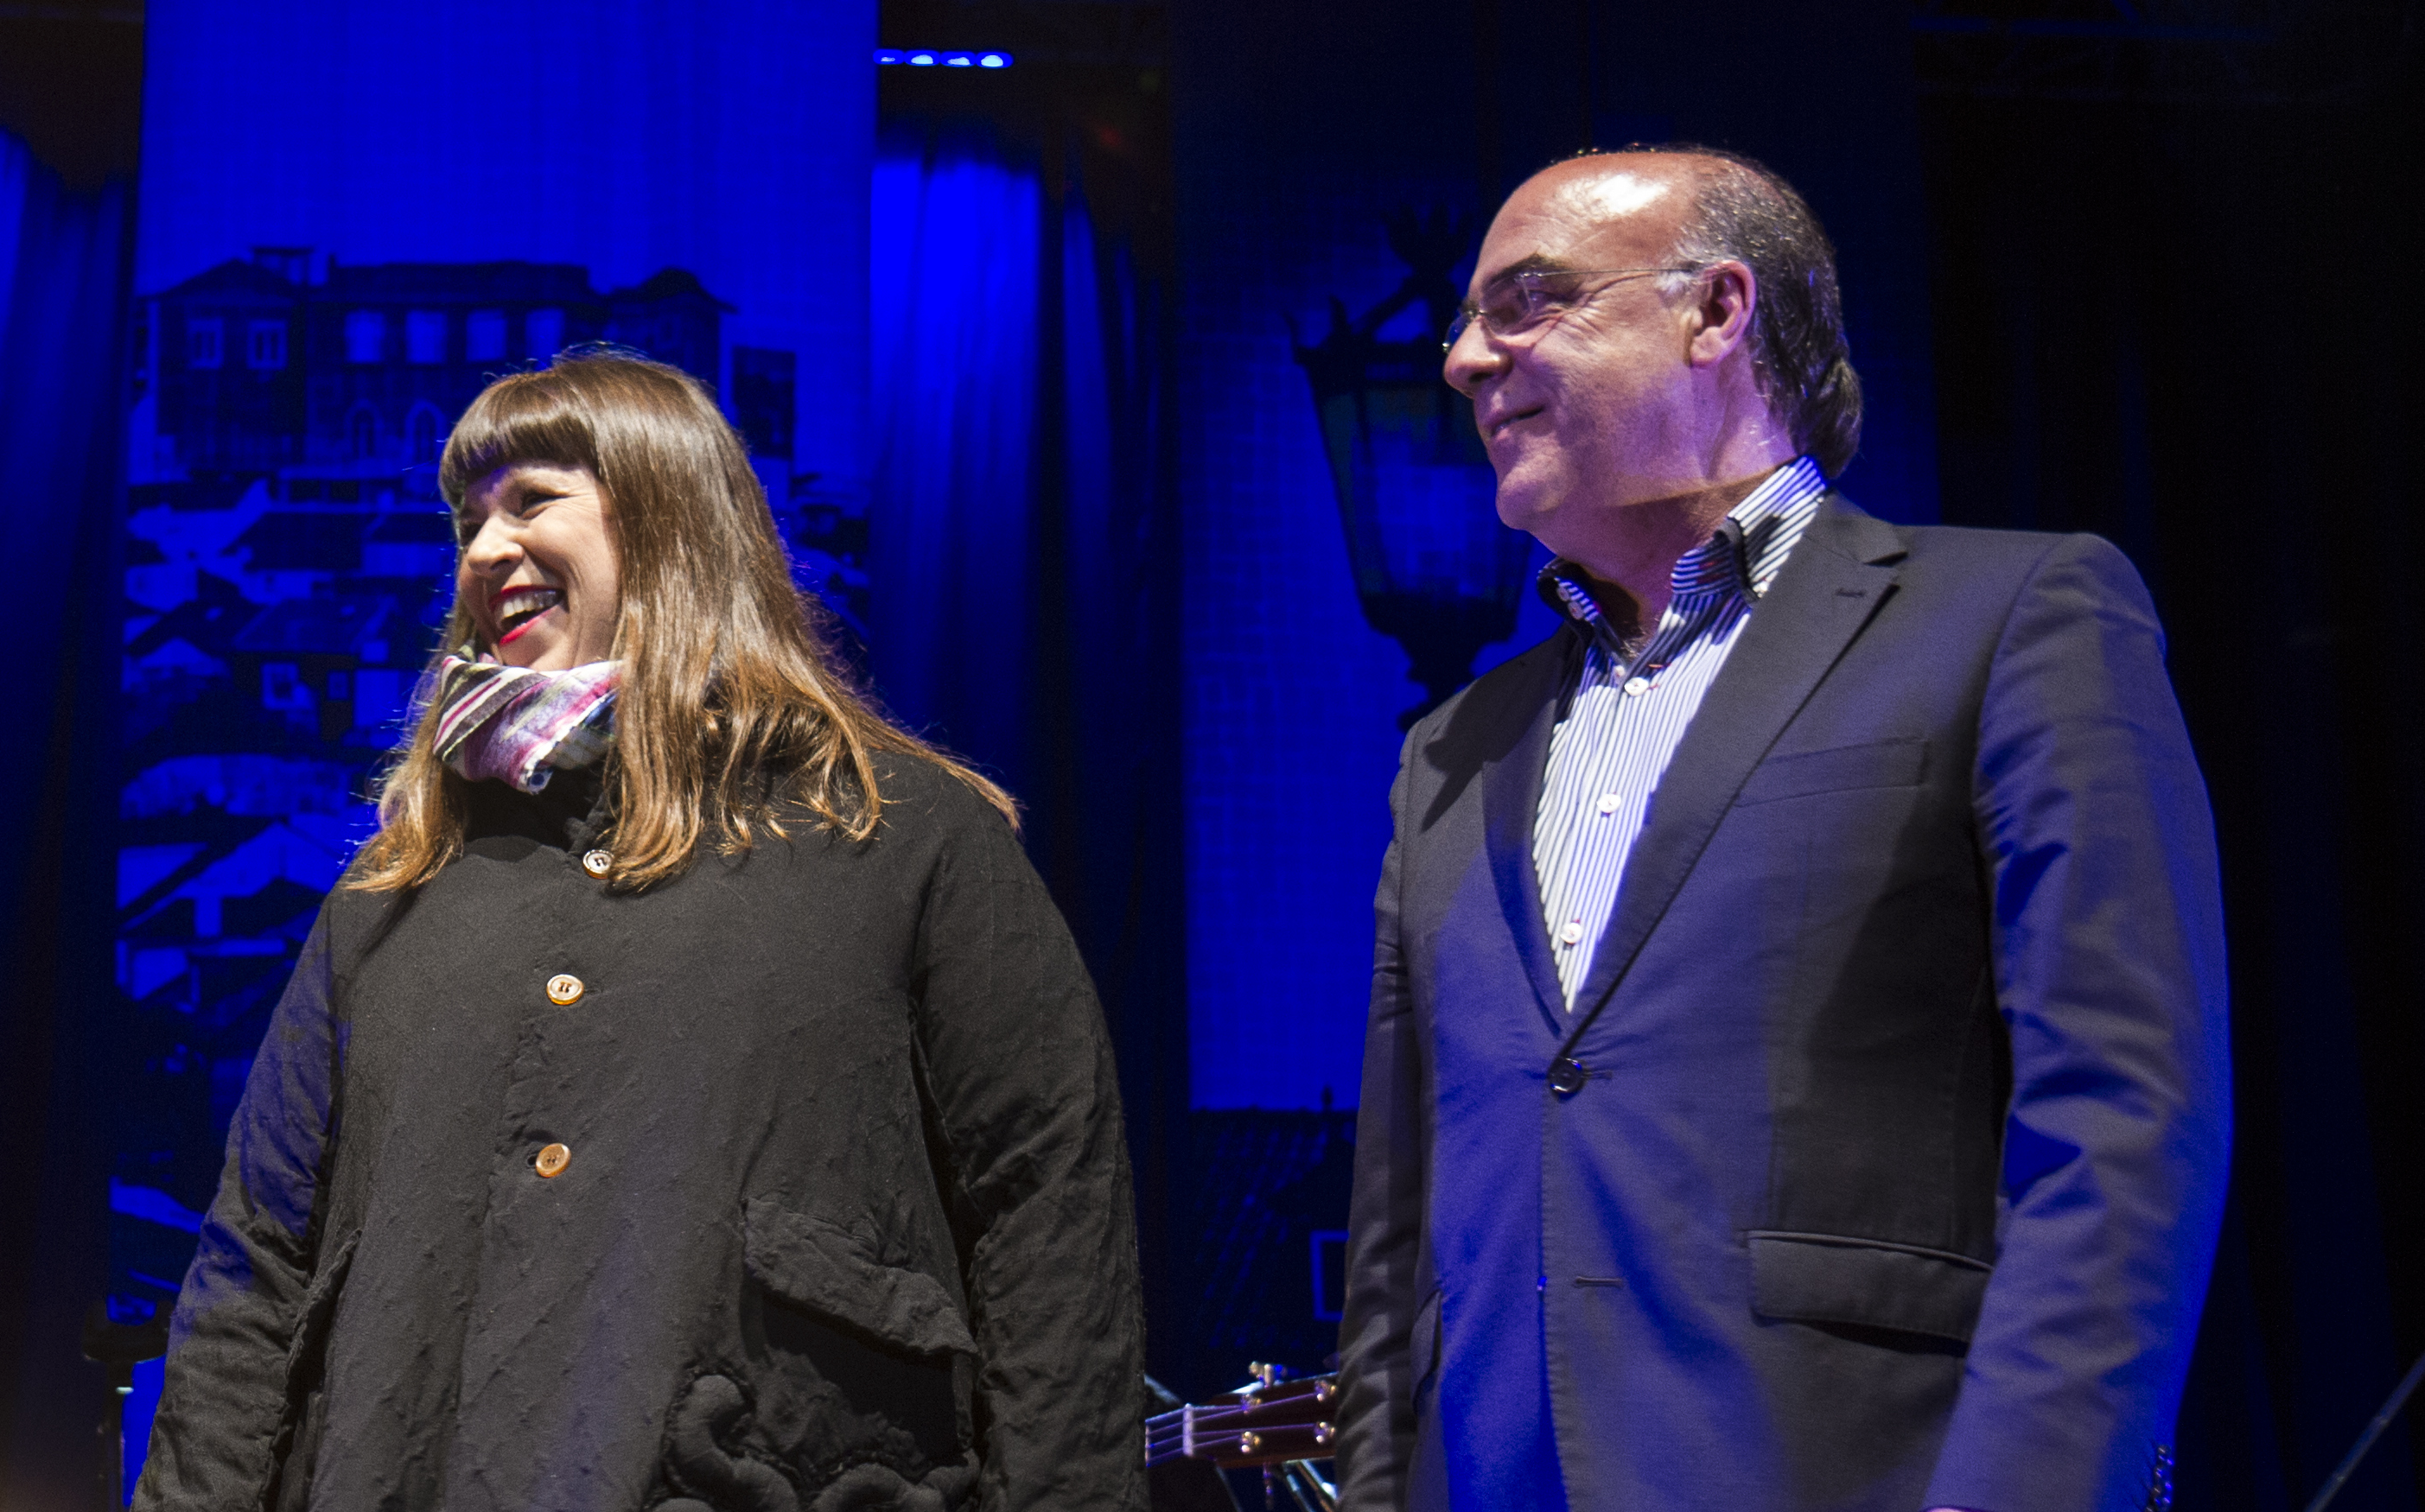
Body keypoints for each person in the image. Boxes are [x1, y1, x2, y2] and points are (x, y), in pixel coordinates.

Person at [1332, 147, 2227, 1512]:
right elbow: (1393, 1238)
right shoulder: (1447, 751)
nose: (1461, 357)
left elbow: (2120, 1126)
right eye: (1465, 319)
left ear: (1715, 313)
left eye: (1525, 301)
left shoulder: (2010, 619)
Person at [134, 353, 1147, 1512]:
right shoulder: (393, 891)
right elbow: (253, 1265)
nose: (479, 550)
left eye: (530, 500)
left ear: (666, 514)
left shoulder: (903, 839)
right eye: (466, 518)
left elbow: (1049, 1216)